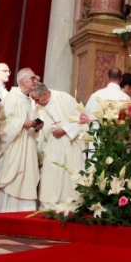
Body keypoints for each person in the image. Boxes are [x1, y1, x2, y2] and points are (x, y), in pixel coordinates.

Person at [31, 81, 85, 211]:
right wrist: (39, 128)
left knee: (67, 174)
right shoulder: (39, 107)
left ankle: (69, 204)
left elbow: (82, 118)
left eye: (37, 99)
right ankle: (48, 205)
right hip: (51, 145)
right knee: (51, 173)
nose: (36, 103)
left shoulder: (64, 98)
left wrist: (65, 130)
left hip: (69, 144)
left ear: (44, 94)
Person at [0, 68, 41, 212]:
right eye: (32, 78)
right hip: (14, 146)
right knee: (12, 180)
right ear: (22, 81)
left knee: (27, 178)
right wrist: (22, 123)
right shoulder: (12, 97)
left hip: (28, 145)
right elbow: (2, 123)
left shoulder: (29, 100)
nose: (35, 81)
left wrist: (35, 125)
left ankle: (24, 214)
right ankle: (6, 213)